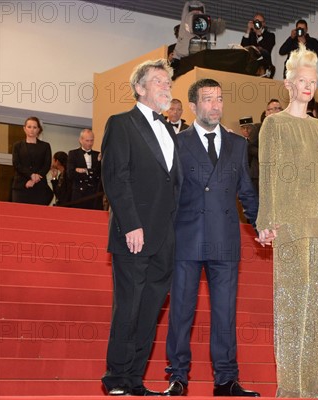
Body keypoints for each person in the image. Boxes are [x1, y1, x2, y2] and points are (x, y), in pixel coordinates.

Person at [256, 43, 318, 398]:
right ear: (288, 84)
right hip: (290, 227)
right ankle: (289, 390)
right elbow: (268, 174)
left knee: (315, 313)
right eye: (302, 80)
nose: (308, 86)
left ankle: (311, 389)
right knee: (291, 310)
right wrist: (267, 220)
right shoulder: (273, 125)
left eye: (313, 81)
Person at [164, 78, 260, 397]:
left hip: (224, 240)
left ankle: (226, 379)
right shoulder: (178, 142)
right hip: (186, 240)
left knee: (224, 314)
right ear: (193, 106)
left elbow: (246, 191)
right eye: (208, 99)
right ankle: (178, 376)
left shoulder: (238, 144)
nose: (216, 105)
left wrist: (262, 224)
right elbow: (169, 193)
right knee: (181, 311)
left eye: (219, 99)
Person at [100, 59, 181, 396]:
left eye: (168, 82)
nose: (167, 87)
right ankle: (115, 378)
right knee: (129, 308)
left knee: (149, 312)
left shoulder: (169, 129)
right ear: (140, 87)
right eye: (159, 81)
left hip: (165, 240)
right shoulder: (121, 123)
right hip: (134, 235)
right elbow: (115, 177)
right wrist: (130, 224)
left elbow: (173, 184)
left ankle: (135, 379)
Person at [11, 116, 53, 205]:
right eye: (29, 127)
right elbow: (16, 164)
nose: (32, 130)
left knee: (37, 215)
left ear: (38, 129)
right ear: (24, 128)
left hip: (39, 186)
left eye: (35, 127)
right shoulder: (17, 145)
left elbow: (46, 165)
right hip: (21, 185)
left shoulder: (45, 146)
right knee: (19, 214)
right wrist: (30, 175)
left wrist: (34, 179)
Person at [67, 129, 102, 209]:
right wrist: (90, 172)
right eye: (87, 140)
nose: (90, 143)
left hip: (95, 194)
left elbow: (99, 174)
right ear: (80, 140)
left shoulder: (98, 155)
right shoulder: (73, 154)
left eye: (91, 140)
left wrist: (85, 171)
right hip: (79, 194)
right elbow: (70, 174)